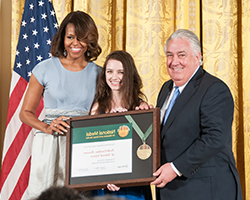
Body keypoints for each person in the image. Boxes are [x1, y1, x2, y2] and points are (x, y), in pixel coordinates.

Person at [150, 29, 243, 200]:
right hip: (171, 191)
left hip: (206, 190)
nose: (174, 61)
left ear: (197, 56)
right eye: (170, 55)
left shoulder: (214, 89)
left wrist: (176, 167)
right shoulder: (166, 89)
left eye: (181, 55)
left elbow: (215, 137)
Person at [19, 11, 102, 199]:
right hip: (48, 143)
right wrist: (47, 127)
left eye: (81, 38)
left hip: (81, 144)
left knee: (78, 196)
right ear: (62, 37)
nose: (75, 43)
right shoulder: (44, 68)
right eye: (70, 37)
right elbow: (25, 113)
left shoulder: (99, 73)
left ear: (90, 40)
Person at [90, 50, 152, 200]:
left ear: (129, 75)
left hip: (133, 185)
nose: (114, 77)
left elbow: (145, 148)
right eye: (109, 71)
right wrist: (107, 177)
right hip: (104, 184)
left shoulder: (141, 107)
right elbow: (93, 147)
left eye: (121, 72)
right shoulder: (97, 108)